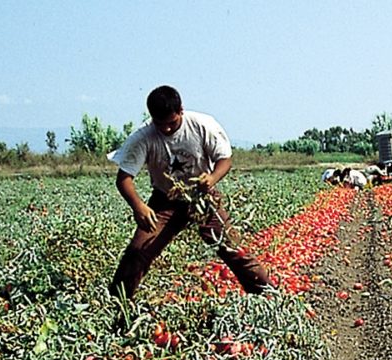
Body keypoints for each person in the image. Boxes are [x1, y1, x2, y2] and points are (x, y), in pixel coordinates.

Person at [107, 85, 271, 299]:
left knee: (233, 249)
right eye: (160, 124)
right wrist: (139, 206)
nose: (166, 129)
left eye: (172, 123)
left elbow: (225, 160)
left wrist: (212, 178)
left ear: (181, 110)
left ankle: (269, 297)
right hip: (165, 201)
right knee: (137, 253)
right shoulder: (143, 137)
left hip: (203, 200)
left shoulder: (202, 125)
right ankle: (116, 307)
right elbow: (124, 178)